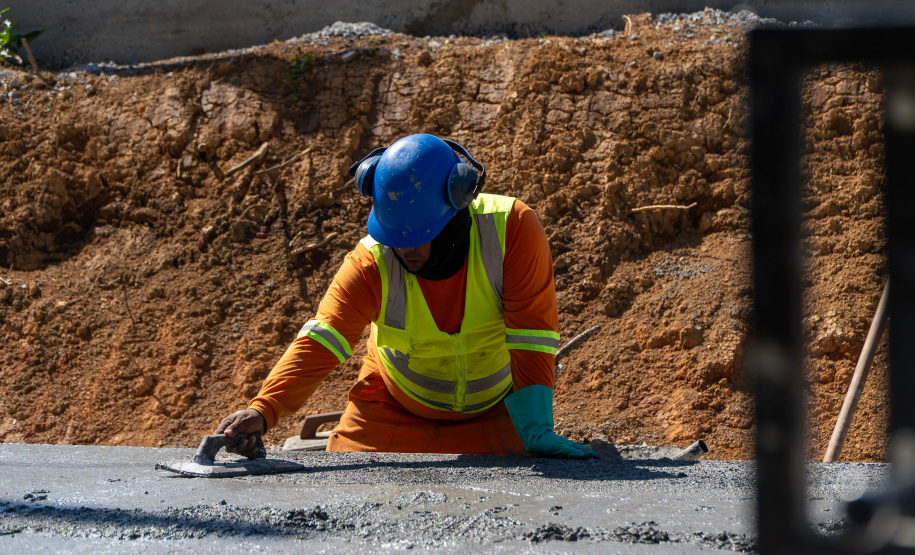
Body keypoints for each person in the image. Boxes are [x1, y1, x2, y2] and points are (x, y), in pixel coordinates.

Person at [215, 133, 597, 459]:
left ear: (456, 212)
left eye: (415, 236)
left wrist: (535, 430)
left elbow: (532, 333)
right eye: (394, 238)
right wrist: (264, 410)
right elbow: (323, 337)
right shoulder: (371, 261)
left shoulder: (511, 230)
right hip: (391, 412)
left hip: (494, 415)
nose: (402, 250)